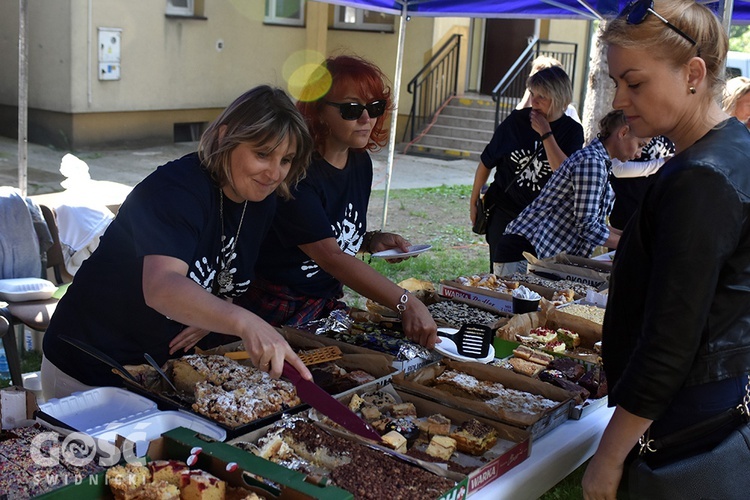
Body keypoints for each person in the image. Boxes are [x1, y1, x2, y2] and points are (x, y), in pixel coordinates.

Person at [41, 85, 315, 399]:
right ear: (225, 137)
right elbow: (161, 286)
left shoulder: (261, 200)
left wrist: (208, 313)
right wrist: (246, 323)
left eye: (286, 160)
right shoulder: (176, 188)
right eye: (263, 154)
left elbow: (225, 278)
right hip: (88, 366)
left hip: (158, 372)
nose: (274, 172)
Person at [582, 1, 750, 498]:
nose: (621, 100)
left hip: (680, 416)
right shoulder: (732, 144)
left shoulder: (701, 177)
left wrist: (608, 459)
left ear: (693, 74)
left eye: (635, 83)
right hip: (709, 396)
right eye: (615, 83)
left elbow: (670, 341)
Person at [236, 55, 439, 349]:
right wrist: (405, 301)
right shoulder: (296, 172)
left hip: (324, 303)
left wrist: (370, 241)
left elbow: (329, 232)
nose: (366, 118)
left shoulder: (360, 163)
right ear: (318, 112)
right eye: (352, 108)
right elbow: (330, 256)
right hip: (276, 308)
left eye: (375, 107)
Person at [491, 110, 648, 269]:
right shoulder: (592, 162)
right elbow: (588, 227)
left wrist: (629, 236)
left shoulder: (598, 161)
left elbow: (592, 223)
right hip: (525, 252)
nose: (638, 154)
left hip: (534, 254)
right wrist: (631, 244)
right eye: (640, 145)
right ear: (623, 132)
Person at [470, 65, 585, 275]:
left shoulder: (572, 131)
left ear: (559, 98)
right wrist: (473, 200)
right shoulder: (516, 121)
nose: (534, 101)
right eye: (533, 94)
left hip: (544, 221)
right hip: (505, 214)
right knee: (502, 277)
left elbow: (564, 172)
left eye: (542, 96)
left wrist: (545, 133)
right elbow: (486, 162)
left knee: (536, 279)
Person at [608, 135, 674, 232]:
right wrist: (662, 162)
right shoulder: (633, 125)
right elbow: (618, 169)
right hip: (629, 209)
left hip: (662, 210)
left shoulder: (672, 131)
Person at [515, 55, 582, 123]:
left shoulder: (569, 111)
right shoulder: (527, 109)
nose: (534, 102)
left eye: (542, 96)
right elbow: (518, 120)